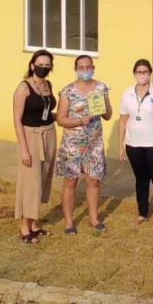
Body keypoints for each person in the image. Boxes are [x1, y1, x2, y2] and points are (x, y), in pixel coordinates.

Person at [55, 55, 112, 235]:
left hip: (93, 142)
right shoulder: (67, 91)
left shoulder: (101, 88)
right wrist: (79, 121)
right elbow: (61, 119)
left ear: (93, 67)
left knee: (93, 180)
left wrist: (102, 105)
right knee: (71, 181)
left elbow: (108, 115)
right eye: (81, 67)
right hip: (73, 143)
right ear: (76, 69)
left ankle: (93, 218)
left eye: (88, 66)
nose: (85, 70)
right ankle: (69, 222)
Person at [118, 59, 153, 232]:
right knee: (141, 180)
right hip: (134, 145)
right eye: (139, 72)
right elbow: (122, 121)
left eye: (145, 72)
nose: (142, 75)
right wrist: (121, 145)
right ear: (134, 73)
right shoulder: (127, 94)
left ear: (150, 73)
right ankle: (142, 212)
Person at [13, 49, 57, 244]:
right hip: (31, 136)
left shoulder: (48, 85)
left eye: (47, 65)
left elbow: (47, 113)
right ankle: (24, 226)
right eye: (41, 64)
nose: (44, 67)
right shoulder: (23, 88)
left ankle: (33, 223)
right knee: (30, 181)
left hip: (48, 133)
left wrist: (69, 117)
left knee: (42, 179)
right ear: (32, 65)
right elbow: (17, 120)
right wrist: (24, 149)